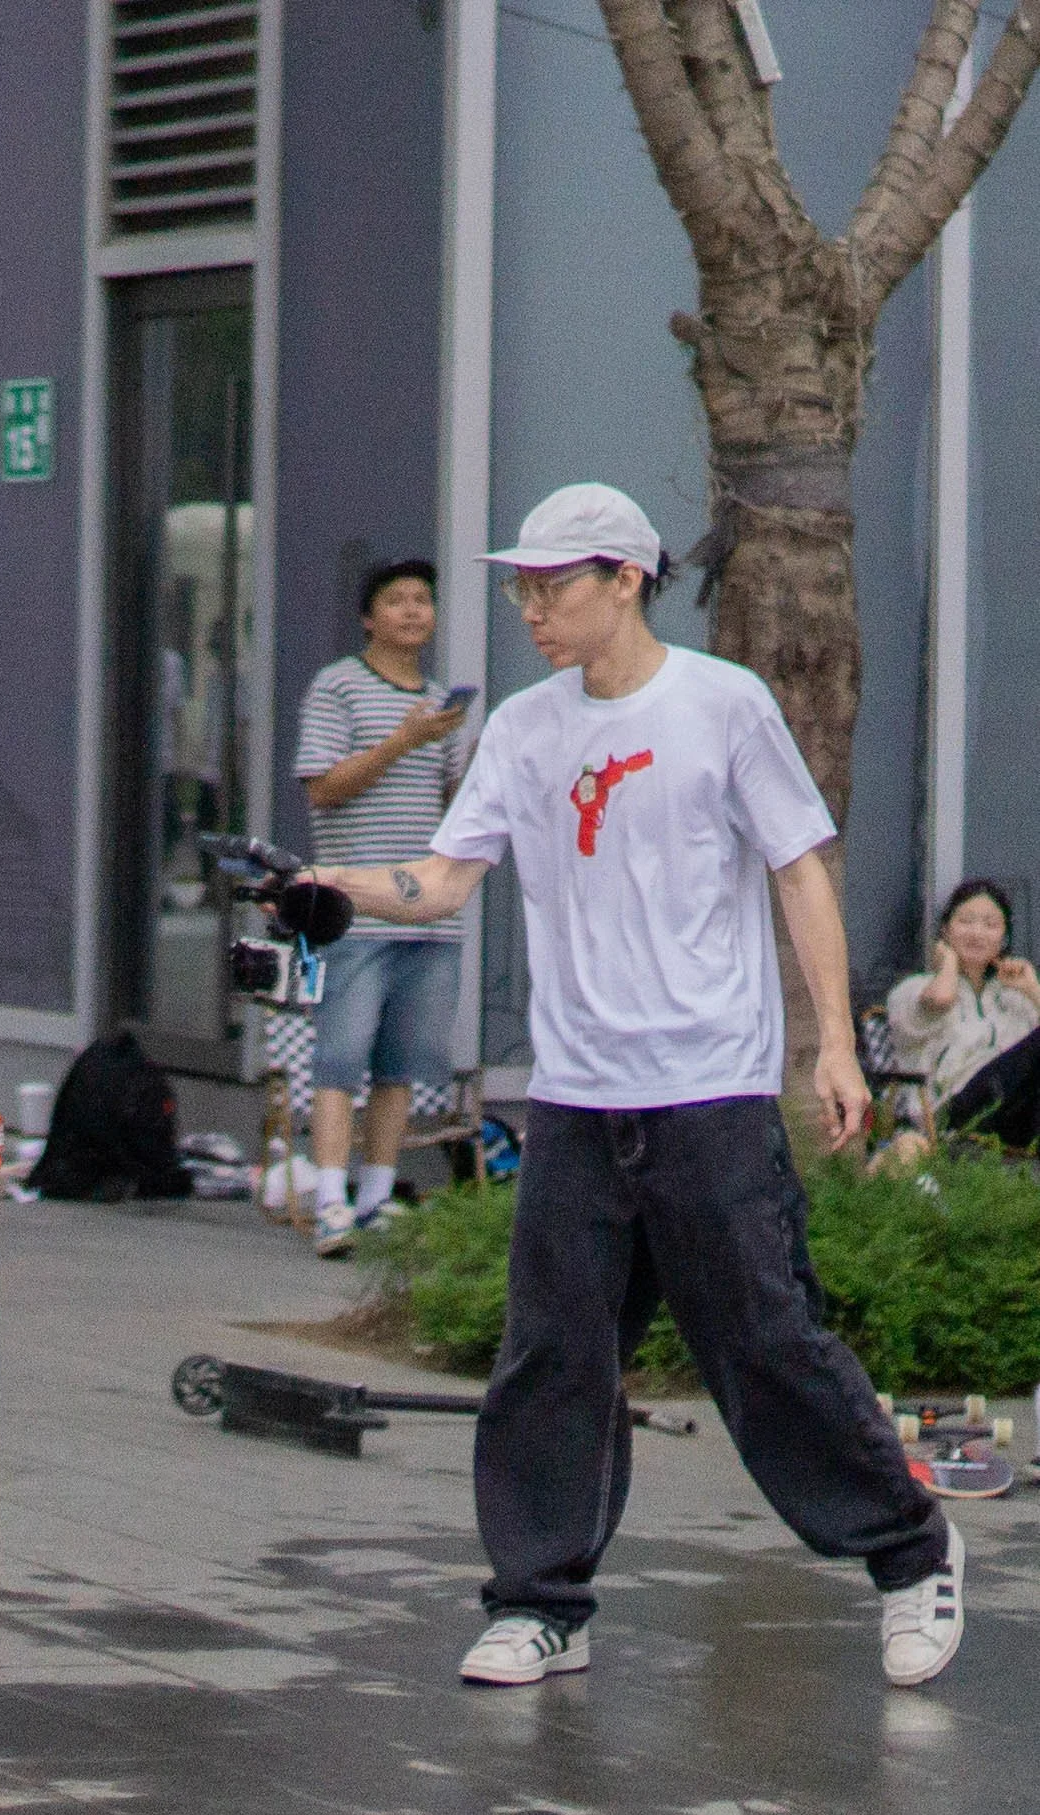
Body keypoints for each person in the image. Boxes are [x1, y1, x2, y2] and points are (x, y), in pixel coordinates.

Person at [305, 481, 962, 1692]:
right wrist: (328, 888)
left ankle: (912, 1551)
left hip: (708, 1090)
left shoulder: (723, 705)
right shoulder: (523, 728)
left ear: (623, 580)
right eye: (520, 588)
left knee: (766, 1343)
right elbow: (447, 882)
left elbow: (801, 871)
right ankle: (540, 1602)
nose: (529, 609)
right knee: (551, 1354)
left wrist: (828, 1045)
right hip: (575, 1098)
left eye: (550, 587)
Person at [293, 560, 473, 1255]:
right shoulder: (337, 686)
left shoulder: (441, 704)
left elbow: (452, 816)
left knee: (403, 1061)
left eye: (422, 599)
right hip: (351, 909)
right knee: (340, 1055)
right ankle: (329, 1197)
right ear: (368, 618)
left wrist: (474, 765)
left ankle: (376, 1193)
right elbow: (322, 789)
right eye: (395, 600)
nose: (411, 611)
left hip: (429, 912)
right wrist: (402, 742)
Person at [884, 879, 1040, 1150]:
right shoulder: (915, 990)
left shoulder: (1016, 999)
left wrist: (1032, 988)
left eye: (991, 925)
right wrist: (948, 962)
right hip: (951, 1111)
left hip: (1013, 1114)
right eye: (966, 921)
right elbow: (942, 998)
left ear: (1004, 939)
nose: (977, 933)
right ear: (945, 930)